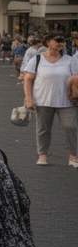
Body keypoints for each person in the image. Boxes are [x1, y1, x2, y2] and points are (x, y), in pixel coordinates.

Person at [21, 32, 78, 167]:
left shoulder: (70, 60)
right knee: (43, 129)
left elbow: (76, 78)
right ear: (48, 42)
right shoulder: (37, 60)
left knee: (70, 127)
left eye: (63, 41)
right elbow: (28, 79)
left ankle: (73, 154)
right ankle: (43, 154)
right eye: (57, 40)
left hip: (67, 101)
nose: (61, 43)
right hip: (43, 100)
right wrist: (29, 99)